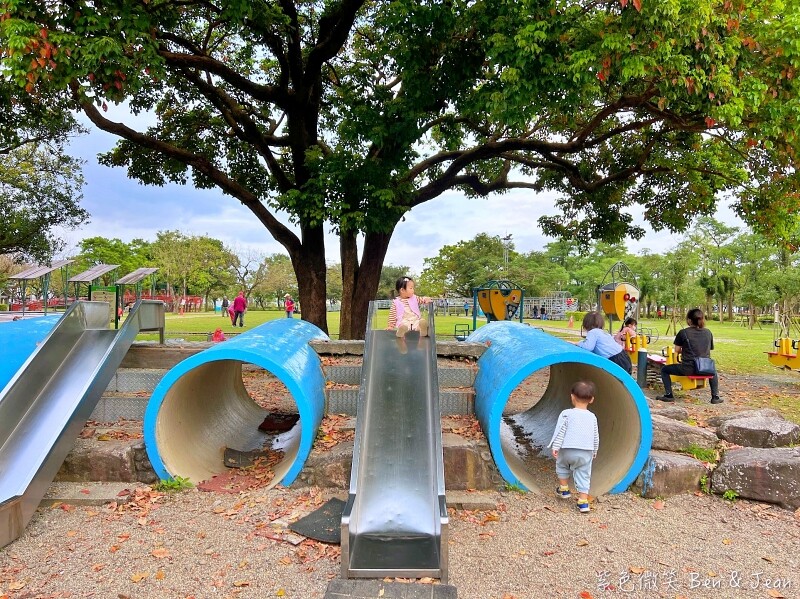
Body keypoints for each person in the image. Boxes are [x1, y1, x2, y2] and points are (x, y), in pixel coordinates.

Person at [548, 380, 599, 514]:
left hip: (567, 450)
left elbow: (560, 431)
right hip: (586, 452)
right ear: (592, 400)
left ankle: (564, 489)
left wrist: (556, 447)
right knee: (584, 473)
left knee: (562, 466)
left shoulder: (566, 414)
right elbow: (595, 436)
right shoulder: (592, 417)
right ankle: (583, 502)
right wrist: (595, 450)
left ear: (572, 397)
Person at [657, 308, 722, 404]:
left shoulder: (683, 332)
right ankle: (715, 397)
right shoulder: (708, 332)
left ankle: (669, 395)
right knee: (713, 372)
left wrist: (685, 350)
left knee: (664, 370)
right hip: (705, 368)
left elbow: (677, 350)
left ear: (689, 320)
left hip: (688, 368)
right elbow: (708, 348)